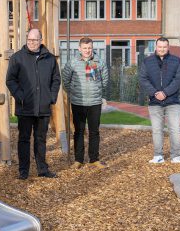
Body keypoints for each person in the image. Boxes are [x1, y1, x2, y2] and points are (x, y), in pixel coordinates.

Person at [6, 28, 61, 180]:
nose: (32, 43)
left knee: (41, 139)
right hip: (25, 106)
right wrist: (19, 96)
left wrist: (51, 97)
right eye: (29, 40)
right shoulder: (17, 58)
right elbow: (10, 80)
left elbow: (56, 79)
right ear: (26, 40)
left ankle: (42, 169)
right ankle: (23, 171)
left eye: (35, 40)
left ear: (41, 40)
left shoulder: (49, 58)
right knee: (24, 139)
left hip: (43, 106)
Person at [62, 37, 109, 169]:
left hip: (94, 102)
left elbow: (105, 79)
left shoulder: (99, 62)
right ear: (79, 49)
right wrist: (73, 92)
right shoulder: (73, 62)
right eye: (85, 48)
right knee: (79, 131)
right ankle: (78, 159)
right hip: (78, 102)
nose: (87, 50)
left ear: (92, 48)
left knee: (94, 131)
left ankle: (94, 159)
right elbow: (65, 79)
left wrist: (99, 91)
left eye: (89, 48)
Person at [139, 37, 180, 164]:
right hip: (154, 102)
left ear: (168, 47)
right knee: (157, 130)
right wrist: (154, 93)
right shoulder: (147, 62)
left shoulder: (177, 61)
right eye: (160, 47)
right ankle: (158, 156)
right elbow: (143, 79)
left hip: (173, 101)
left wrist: (165, 93)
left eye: (164, 47)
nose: (162, 49)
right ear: (156, 47)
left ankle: (175, 156)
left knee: (174, 129)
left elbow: (178, 79)